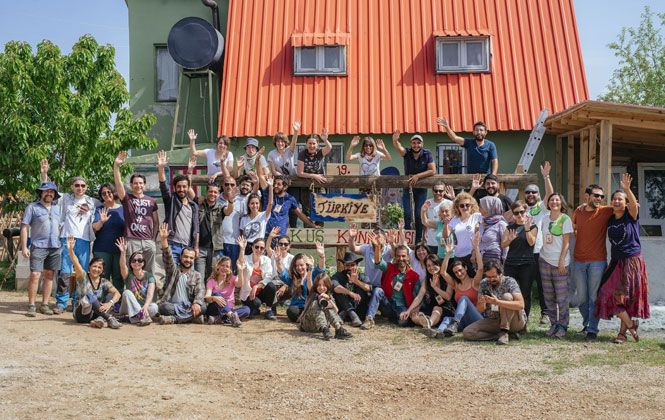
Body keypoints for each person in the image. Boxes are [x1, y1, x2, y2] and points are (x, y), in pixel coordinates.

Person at [40, 159, 101, 314]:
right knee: (65, 272)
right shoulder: (66, 199)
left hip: (85, 241)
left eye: (83, 185)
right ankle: (61, 302)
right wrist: (44, 173)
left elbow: (110, 200)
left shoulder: (92, 202)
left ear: (86, 187)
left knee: (81, 273)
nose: (80, 188)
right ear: (72, 187)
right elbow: (49, 190)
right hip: (67, 239)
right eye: (77, 185)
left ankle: (77, 301)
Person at [595, 174, 650, 344]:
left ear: (626, 203)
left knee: (623, 297)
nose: (617, 202)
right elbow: (596, 208)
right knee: (605, 293)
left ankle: (622, 334)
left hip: (632, 261)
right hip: (616, 262)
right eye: (615, 199)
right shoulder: (610, 218)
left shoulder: (630, 216)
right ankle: (631, 324)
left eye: (620, 199)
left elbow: (634, 205)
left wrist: (627, 189)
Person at [571, 183, 614, 340]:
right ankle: (587, 323)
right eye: (596, 195)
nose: (599, 199)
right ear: (587, 196)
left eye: (601, 196)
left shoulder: (605, 211)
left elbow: (625, 207)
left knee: (594, 297)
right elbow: (575, 228)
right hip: (579, 261)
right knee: (581, 297)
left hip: (598, 261)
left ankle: (592, 330)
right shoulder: (578, 211)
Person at [421, 235, 484, 338]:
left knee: (464, 298)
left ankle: (454, 323)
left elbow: (480, 269)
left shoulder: (474, 282)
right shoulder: (456, 285)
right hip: (463, 321)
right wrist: (448, 253)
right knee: (446, 319)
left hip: (476, 318)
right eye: (456, 272)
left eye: (460, 270)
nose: (459, 273)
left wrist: (476, 248)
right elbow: (443, 272)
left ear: (466, 268)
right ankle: (437, 332)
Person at [113, 151, 160, 273]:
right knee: (130, 271)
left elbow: (156, 222)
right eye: (135, 183)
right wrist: (116, 166)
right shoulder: (127, 198)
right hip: (132, 239)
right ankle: (130, 292)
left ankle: (150, 292)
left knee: (149, 272)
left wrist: (153, 240)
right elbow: (118, 184)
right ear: (131, 185)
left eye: (140, 183)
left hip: (148, 241)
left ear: (144, 185)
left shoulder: (151, 201)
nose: (138, 185)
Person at [20, 181, 62, 317]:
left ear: (54, 194)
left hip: (55, 246)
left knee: (50, 276)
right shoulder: (32, 207)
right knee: (35, 275)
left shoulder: (57, 208)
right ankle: (31, 305)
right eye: (46, 191)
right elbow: (25, 227)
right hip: (38, 245)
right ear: (41, 193)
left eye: (52, 192)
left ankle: (44, 304)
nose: (49, 193)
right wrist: (24, 246)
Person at [463, 260, 526, 345]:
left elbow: (521, 305)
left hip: (514, 321)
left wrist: (498, 302)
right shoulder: (484, 283)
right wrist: (482, 302)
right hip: (495, 320)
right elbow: (479, 310)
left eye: (493, 276)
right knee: (468, 332)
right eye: (488, 277)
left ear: (501, 274)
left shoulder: (510, 281)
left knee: (507, 297)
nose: (491, 279)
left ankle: (504, 331)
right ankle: (504, 336)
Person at [65, 236, 122, 329]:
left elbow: (118, 294)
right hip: (82, 314)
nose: (96, 269)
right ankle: (109, 318)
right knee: (89, 295)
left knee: (110, 295)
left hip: (95, 313)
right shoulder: (82, 277)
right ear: (89, 267)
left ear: (103, 270)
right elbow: (76, 263)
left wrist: (110, 303)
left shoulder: (104, 281)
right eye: (94, 266)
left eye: (99, 267)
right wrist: (71, 250)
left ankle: (99, 319)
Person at [156, 223, 207, 325]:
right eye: (186, 257)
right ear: (180, 257)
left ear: (194, 260)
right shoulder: (173, 270)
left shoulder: (196, 275)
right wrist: (163, 240)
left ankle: (174, 319)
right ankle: (193, 318)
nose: (188, 260)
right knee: (163, 307)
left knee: (203, 307)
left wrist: (196, 303)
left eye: (191, 258)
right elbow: (167, 256)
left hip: (189, 306)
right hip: (173, 305)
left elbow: (200, 291)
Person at [157, 150, 199, 271]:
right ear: (175, 188)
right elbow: (163, 186)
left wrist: (195, 247)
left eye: (184, 186)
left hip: (188, 247)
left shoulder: (193, 206)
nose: (181, 189)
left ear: (188, 188)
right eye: (179, 187)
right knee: (171, 276)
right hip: (173, 245)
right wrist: (161, 168)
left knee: (187, 279)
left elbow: (196, 229)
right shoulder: (171, 201)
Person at [538, 193, 573, 338]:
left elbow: (567, 242)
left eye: (557, 200)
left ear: (561, 203)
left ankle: (563, 325)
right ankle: (554, 323)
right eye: (552, 200)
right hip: (544, 260)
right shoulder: (545, 219)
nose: (554, 202)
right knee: (548, 295)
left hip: (560, 262)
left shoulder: (565, 219)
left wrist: (561, 260)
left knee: (561, 296)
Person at [524, 161, 554, 325]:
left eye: (534, 193)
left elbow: (550, 194)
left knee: (543, 286)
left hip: (540, 252)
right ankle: (525, 314)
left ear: (538, 195)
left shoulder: (542, 207)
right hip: (524, 253)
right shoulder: (521, 209)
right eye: (528, 192)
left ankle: (545, 313)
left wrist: (546, 177)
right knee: (525, 286)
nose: (530, 195)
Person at [392, 130, 436, 241]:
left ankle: (418, 239)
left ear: (422, 144)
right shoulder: (407, 152)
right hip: (408, 187)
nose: (416, 145)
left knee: (418, 214)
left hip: (421, 189)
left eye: (418, 143)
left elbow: (432, 170)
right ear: (411, 144)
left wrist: (418, 176)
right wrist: (395, 140)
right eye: (414, 143)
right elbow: (399, 148)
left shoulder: (427, 154)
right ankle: (408, 237)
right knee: (407, 213)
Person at [186, 157, 225, 280]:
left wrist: (230, 199)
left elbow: (228, 211)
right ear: (206, 192)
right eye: (210, 192)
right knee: (199, 277)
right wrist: (190, 171)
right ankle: (200, 299)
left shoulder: (220, 207)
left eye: (215, 192)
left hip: (215, 248)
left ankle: (211, 298)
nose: (212, 194)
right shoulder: (199, 203)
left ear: (218, 194)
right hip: (200, 248)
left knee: (213, 277)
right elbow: (188, 188)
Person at [501, 200, 538, 320]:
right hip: (511, 264)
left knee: (525, 293)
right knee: (509, 292)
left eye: (522, 212)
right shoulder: (510, 227)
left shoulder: (532, 226)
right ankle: (511, 319)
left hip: (527, 264)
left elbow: (531, 242)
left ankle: (524, 320)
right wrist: (510, 239)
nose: (519, 215)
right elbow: (503, 245)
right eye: (516, 213)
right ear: (513, 214)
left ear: (526, 211)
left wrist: (527, 229)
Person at [401, 254, 456, 329]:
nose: (431, 268)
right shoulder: (427, 279)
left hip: (446, 308)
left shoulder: (446, 278)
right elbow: (419, 297)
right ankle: (429, 322)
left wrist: (435, 287)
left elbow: (448, 297)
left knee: (437, 308)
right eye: (429, 266)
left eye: (434, 264)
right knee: (414, 315)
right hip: (432, 309)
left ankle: (429, 324)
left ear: (439, 264)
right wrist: (408, 310)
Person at [372, 240, 420, 326]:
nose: (401, 259)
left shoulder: (414, 276)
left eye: (403, 256)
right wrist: (377, 247)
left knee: (403, 322)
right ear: (395, 257)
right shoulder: (389, 267)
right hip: (386, 303)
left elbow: (419, 296)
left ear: (408, 257)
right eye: (398, 256)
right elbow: (378, 262)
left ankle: (394, 317)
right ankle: (369, 319)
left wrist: (414, 309)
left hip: (401, 306)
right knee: (377, 290)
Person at [277, 242, 326, 322]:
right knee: (291, 311)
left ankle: (305, 316)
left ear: (306, 265)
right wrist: (278, 262)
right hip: (297, 307)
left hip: (311, 305)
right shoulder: (293, 278)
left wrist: (322, 256)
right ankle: (307, 317)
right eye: (297, 266)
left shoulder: (313, 273)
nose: (299, 268)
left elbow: (321, 268)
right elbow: (282, 274)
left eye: (301, 265)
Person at [262, 176, 318, 247]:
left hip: (280, 237)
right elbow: (261, 175)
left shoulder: (290, 199)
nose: (275, 186)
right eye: (275, 184)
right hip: (265, 234)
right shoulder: (269, 192)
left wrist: (312, 225)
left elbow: (300, 214)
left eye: (279, 184)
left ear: (285, 187)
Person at [115, 237, 158, 326]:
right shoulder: (128, 274)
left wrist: (146, 306)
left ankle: (132, 317)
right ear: (130, 263)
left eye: (140, 260)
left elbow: (150, 295)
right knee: (126, 292)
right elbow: (122, 266)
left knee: (154, 307)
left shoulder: (149, 276)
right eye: (134, 260)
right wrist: (123, 252)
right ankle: (141, 317)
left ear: (143, 263)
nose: (137, 262)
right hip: (127, 307)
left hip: (143, 307)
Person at [92, 183, 125, 296]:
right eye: (103, 193)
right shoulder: (99, 209)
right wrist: (101, 221)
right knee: (102, 276)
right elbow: (95, 227)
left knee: (118, 276)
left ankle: (117, 302)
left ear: (114, 193)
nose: (106, 195)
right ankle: (100, 301)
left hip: (118, 249)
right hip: (102, 248)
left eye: (109, 192)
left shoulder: (123, 209)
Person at [218, 174, 256, 273]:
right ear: (222, 185)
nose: (229, 187)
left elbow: (243, 222)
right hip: (218, 242)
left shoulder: (241, 201)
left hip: (234, 242)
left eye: (232, 185)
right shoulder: (216, 199)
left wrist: (241, 242)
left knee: (232, 271)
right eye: (226, 184)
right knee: (219, 270)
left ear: (236, 186)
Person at [300, 273, 353, 340]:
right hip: (309, 324)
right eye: (319, 285)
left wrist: (328, 299)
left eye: (324, 285)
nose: (321, 288)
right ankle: (324, 328)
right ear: (316, 286)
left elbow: (336, 310)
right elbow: (309, 282)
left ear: (328, 286)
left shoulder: (329, 296)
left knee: (327, 304)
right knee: (315, 302)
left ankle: (338, 328)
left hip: (323, 325)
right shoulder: (312, 294)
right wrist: (310, 269)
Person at [268, 121, 301, 227]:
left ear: (285, 142)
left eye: (282, 141)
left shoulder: (288, 151)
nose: (280, 143)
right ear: (275, 142)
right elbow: (273, 171)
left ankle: (293, 227)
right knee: (280, 206)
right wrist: (284, 179)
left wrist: (295, 132)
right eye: (278, 141)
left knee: (293, 206)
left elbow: (294, 144)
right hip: (280, 183)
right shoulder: (271, 154)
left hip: (293, 182)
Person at [237, 235, 278, 319]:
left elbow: (269, 277)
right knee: (256, 303)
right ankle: (251, 307)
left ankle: (268, 310)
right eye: (257, 247)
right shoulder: (246, 258)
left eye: (262, 248)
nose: (259, 250)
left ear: (264, 250)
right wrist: (242, 248)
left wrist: (257, 286)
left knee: (271, 286)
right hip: (248, 293)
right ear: (252, 247)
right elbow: (241, 263)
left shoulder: (266, 260)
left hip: (260, 291)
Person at [443, 192, 482, 276]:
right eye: (462, 205)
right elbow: (446, 235)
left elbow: (481, 233)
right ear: (457, 207)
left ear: (472, 205)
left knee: (473, 278)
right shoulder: (454, 220)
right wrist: (446, 224)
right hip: (458, 255)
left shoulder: (477, 216)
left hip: (472, 255)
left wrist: (474, 253)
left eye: (467, 205)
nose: (465, 207)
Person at [297, 130, 332, 223]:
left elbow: (329, 148)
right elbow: (300, 172)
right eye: (309, 143)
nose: (311, 146)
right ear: (306, 144)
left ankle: (320, 232)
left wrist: (325, 140)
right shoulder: (302, 154)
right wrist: (314, 176)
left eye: (314, 143)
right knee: (307, 211)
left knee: (321, 209)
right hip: (306, 185)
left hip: (320, 185)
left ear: (317, 144)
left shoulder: (320, 152)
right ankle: (307, 232)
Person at [204, 256, 250, 327]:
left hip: (229, 308)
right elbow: (207, 298)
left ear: (230, 269)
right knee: (217, 294)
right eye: (222, 265)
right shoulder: (211, 281)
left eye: (227, 266)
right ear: (218, 266)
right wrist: (214, 298)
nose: (224, 268)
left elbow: (240, 284)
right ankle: (231, 317)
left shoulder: (232, 278)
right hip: (214, 309)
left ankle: (221, 319)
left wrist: (240, 271)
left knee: (247, 310)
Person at [331, 253, 373, 327]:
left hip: (359, 310)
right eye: (347, 265)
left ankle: (346, 313)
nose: (350, 268)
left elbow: (369, 288)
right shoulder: (338, 275)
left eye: (352, 265)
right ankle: (352, 314)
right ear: (344, 266)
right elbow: (335, 287)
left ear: (357, 265)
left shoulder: (363, 276)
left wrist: (356, 281)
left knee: (363, 291)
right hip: (341, 307)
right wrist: (350, 293)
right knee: (339, 291)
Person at [240, 176, 273, 250]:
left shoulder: (263, 215)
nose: (254, 206)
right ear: (248, 205)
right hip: (247, 247)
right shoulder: (244, 219)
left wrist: (270, 186)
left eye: (257, 203)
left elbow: (270, 203)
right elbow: (242, 237)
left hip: (259, 246)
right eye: (252, 203)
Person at [422, 183, 454, 254]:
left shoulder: (450, 202)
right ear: (433, 191)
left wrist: (453, 198)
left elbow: (459, 214)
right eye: (436, 191)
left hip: (445, 239)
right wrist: (424, 233)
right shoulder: (428, 202)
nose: (438, 193)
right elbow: (426, 220)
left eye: (440, 191)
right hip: (431, 240)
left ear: (444, 191)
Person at [479, 196, 508, 263]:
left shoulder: (501, 224)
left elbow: (506, 246)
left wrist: (504, 262)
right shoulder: (483, 222)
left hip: (495, 260)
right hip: (482, 258)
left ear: (488, 207)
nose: (479, 209)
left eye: (481, 206)